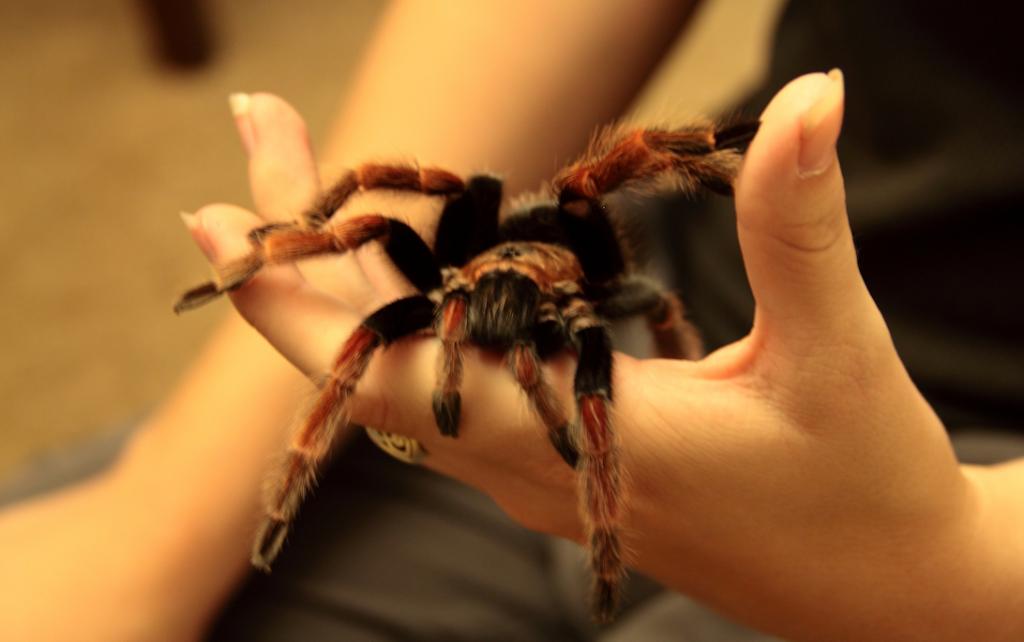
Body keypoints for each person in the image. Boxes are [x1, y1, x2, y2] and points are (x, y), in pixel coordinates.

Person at [1, 2, 1021, 640]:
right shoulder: (454, 273)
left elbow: (594, 372)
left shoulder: (579, 330)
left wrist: (950, 584)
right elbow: (394, 197)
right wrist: (159, 522)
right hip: (707, 297)